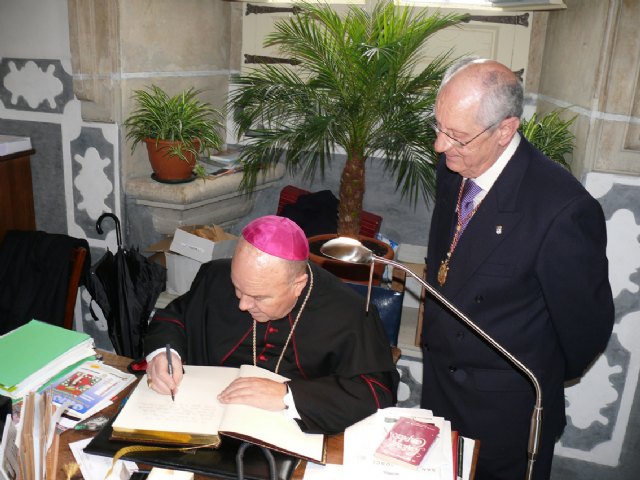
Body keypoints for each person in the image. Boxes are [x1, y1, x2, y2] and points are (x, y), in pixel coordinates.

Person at [420, 57, 614, 479]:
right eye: (437, 126)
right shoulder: (454, 167)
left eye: (455, 135)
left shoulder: (562, 209)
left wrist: (523, 380)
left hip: (505, 415)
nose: (439, 145)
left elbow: (585, 329)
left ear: (505, 129)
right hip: (440, 391)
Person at [144, 215, 399, 435]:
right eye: (237, 288)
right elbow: (173, 319)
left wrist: (287, 395)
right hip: (204, 423)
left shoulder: (349, 312)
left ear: (297, 285)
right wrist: (162, 355)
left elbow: (376, 392)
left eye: (258, 297)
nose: (243, 304)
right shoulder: (215, 277)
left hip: (293, 436)